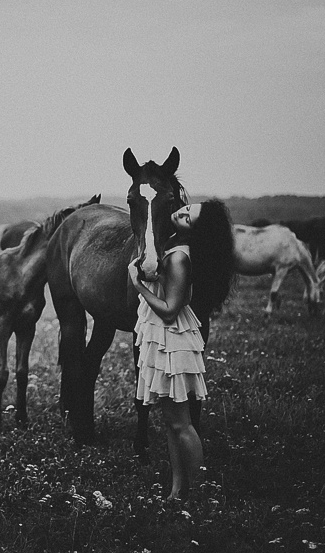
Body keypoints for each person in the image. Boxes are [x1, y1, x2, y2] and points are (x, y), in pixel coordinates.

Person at [127, 198, 236, 500]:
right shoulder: (178, 250)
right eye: (188, 208)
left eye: (188, 217)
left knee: (182, 424)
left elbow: (169, 309)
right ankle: (178, 489)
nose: (181, 212)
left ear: (195, 231)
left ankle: (201, 491)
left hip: (172, 339)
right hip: (169, 339)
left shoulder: (178, 257)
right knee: (172, 423)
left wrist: (139, 286)